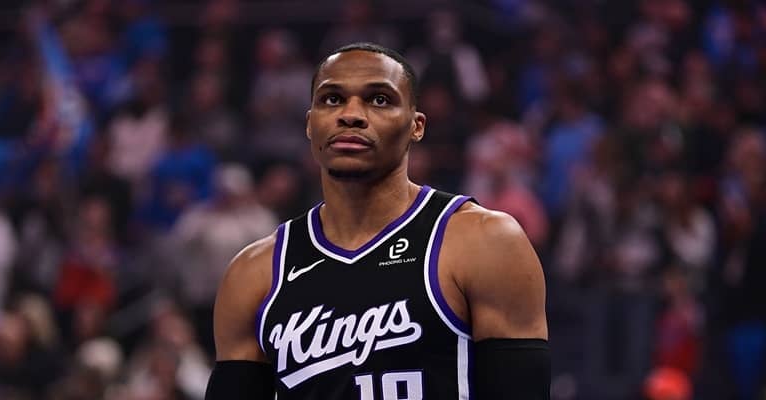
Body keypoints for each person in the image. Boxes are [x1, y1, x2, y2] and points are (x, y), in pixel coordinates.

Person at [206, 42, 550, 399]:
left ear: (417, 126)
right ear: (310, 124)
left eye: (379, 100)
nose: (351, 115)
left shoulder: (485, 241)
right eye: (332, 99)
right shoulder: (254, 273)